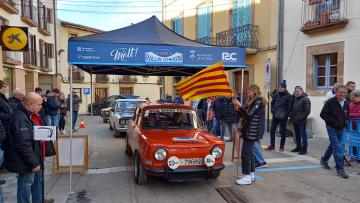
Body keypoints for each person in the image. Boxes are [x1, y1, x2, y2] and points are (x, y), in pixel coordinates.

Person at [4, 92, 52, 202]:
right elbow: (23, 144)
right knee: (25, 186)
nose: (41, 106)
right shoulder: (20, 118)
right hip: (27, 161)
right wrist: (34, 163)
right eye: (39, 104)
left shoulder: (31, 114)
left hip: (36, 156)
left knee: (37, 183)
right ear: (30, 104)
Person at [233, 84, 266, 185]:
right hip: (248, 130)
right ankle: (251, 174)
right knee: (250, 153)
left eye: (250, 91)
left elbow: (249, 115)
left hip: (252, 131)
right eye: (247, 91)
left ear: (255, 92)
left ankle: (247, 176)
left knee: (245, 153)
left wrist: (240, 106)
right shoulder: (250, 102)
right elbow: (244, 115)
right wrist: (238, 110)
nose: (248, 93)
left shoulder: (258, 101)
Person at [320, 85, 349, 179]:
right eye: (340, 92)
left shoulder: (346, 102)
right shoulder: (330, 102)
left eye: (344, 93)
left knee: (333, 145)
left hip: (341, 128)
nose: (342, 94)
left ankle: (324, 160)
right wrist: (334, 122)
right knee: (337, 147)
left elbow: (346, 113)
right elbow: (323, 114)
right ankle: (340, 169)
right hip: (331, 127)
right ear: (336, 92)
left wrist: (345, 122)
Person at [267, 80, 292, 152]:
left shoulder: (288, 96)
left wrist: (286, 114)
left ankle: (282, 146)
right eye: (279, 87)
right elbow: (272, 103)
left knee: (282, 131)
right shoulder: (276, 94)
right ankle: (272, 146)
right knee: (272, 130)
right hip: (275, 115)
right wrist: (272, 110)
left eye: (282, 87)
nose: (280, 88)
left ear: (285, 88)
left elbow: (289, 107)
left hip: (283, 117)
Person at [290, 86, 311, 155]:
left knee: (303, 135)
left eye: (298, 92)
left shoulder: (306, 99)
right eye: (295, 92)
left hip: (301, 121)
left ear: (302, 92)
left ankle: (304, 149)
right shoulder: (295, 99)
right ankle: (298, 147)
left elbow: (307, 111)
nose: (296, 93)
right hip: (295, 120)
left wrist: (301, 118)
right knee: (297, 135)